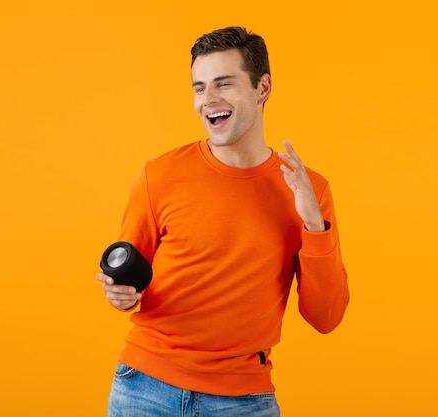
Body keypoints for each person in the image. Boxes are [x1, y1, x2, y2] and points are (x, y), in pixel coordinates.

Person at [96, 26, 349, 417]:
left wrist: (313, 223)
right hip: (145, 388)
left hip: (243, 401)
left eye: (223, 84)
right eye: (199, 88)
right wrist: (120, 293)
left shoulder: (309, 190)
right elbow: (128, 275)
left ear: (262, 88)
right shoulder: (159, 175)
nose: (207, 100)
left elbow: (326, 318)